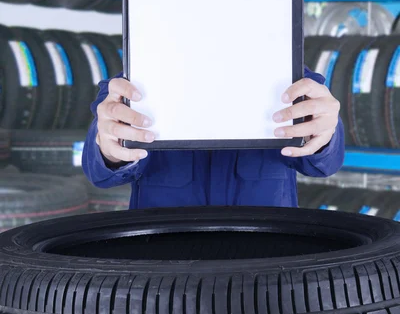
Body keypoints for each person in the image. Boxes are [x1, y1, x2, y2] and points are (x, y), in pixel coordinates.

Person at [82, 67, 344, 209]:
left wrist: (324, 134)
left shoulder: (288, 76)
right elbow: (100, 174)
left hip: (265, 271)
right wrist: (109, 150)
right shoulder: (136, 80)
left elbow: (322, 165)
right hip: (163, 275)